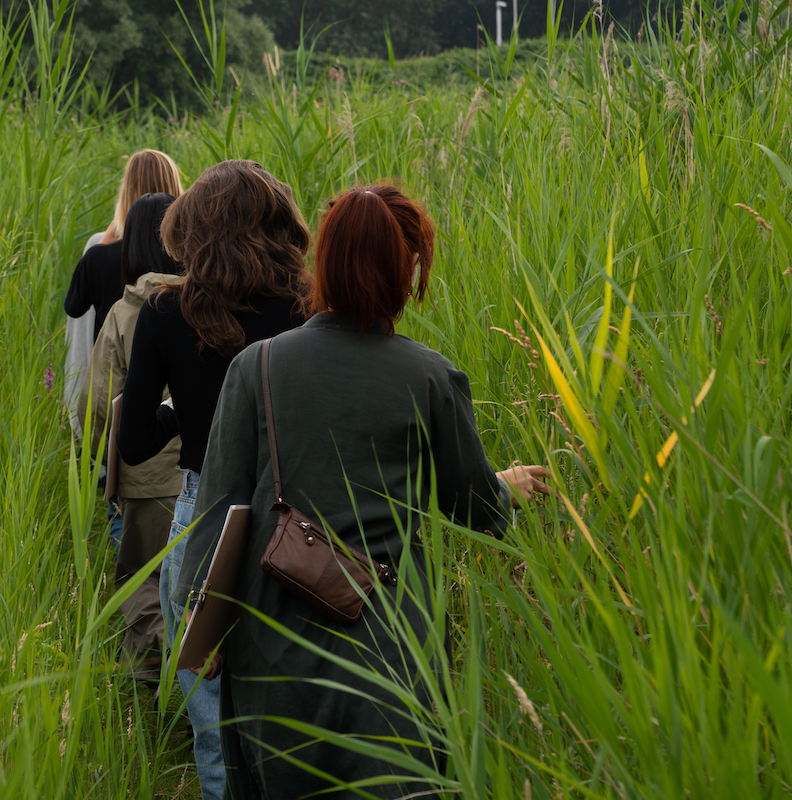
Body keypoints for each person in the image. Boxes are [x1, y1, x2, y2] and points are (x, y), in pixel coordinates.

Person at [173, 185, 551, 798]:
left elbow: (218, 507)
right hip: (389, 650)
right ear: (408, 270)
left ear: (322, 264)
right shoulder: (431, 377)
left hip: (272, 647)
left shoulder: (257, 367)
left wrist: (203, 619)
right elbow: (476, 509)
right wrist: (506, 487)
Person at [117, 160, 313, 800]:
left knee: (210, 712)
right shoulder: (310, 308)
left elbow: (137, 439)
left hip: (206, 514)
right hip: (299, 513)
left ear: (193, 230)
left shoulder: (167, 312)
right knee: (295, 710)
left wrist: (182, 409)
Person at [77, 193, 184, 680]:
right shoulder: (207, 305)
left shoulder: (124, 313)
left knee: (141, 579)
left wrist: (102, 456)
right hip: (204, 469)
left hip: (143, 476)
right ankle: (195, 664)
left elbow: (97, 404)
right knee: (191, 579)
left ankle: (159, 668)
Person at [63, 148, 185, 343]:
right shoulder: (190, 256)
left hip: (115, 368)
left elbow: (74, 308)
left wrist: (98, 249)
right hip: (172, 365)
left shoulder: (99, 257)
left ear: (127, 191)